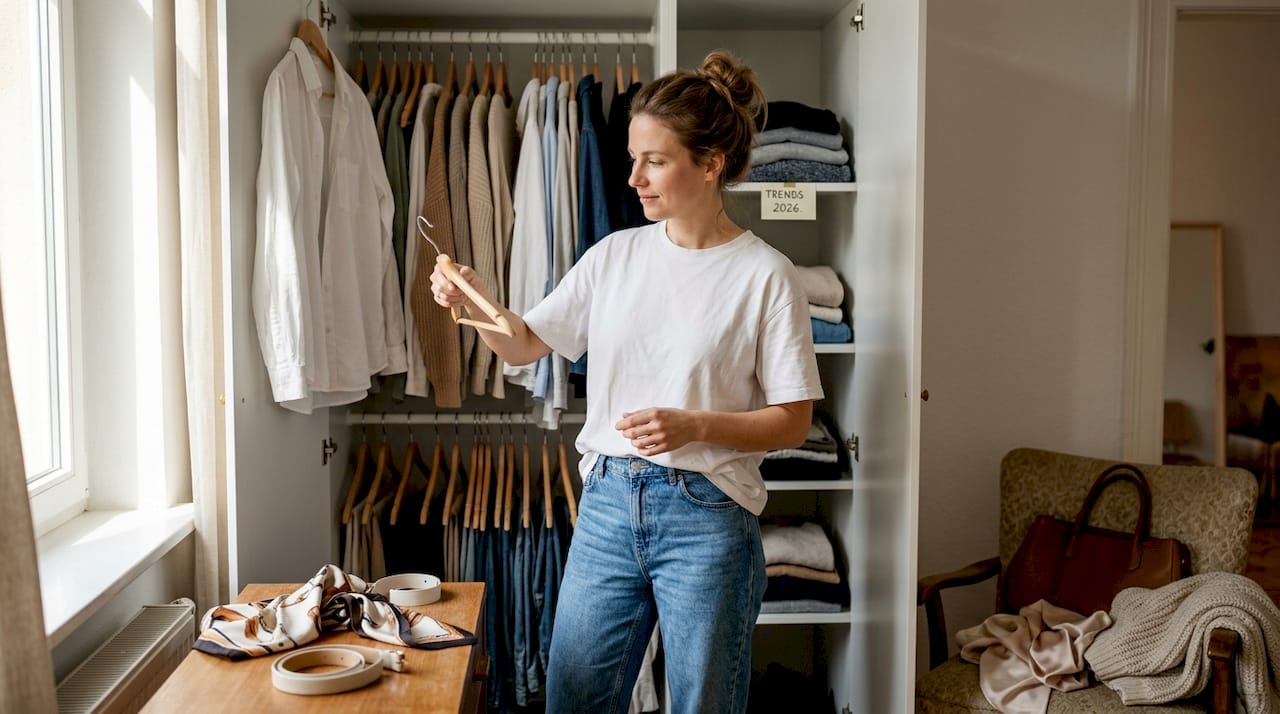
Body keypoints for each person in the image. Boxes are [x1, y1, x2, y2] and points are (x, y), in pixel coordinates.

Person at [429, 49, 823, 714]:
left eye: (655, 160)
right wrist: (473, 301)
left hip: (709, 513)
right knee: (574, 697)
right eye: (633, 157)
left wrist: (696, 425)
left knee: (704, 703)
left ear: (710, 163)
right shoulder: (614, 256)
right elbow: (524, 345)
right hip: (609, 505)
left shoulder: (766, 276)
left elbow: (793, 419)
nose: (634, 176)